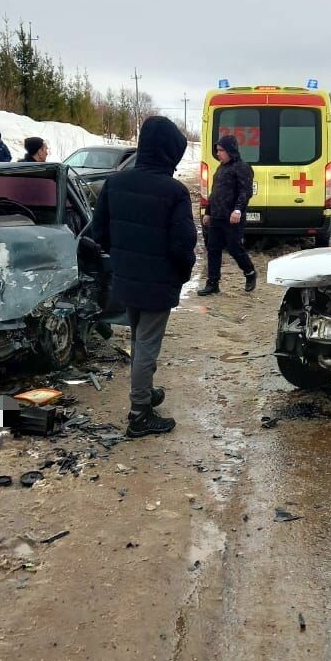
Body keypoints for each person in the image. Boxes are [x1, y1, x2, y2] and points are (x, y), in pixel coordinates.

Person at [88, 115, 197, 439]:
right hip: (158, 282)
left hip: (126, 278)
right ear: (168, 152)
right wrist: (183, 272)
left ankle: (145, 392)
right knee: (147, 344)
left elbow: (99, 231)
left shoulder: (116, 182)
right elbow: (183, 244)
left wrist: (120, 258)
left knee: (139, 339)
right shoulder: (174, 192)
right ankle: (139, 414)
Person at [197, 135, 256, 295]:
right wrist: (208, 212)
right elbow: (214, 193)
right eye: (217, 150)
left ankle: (250, 272)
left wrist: (238, 210)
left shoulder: (242, 167)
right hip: (217, 216)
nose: (218, 154)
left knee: (234, 248)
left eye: (221, 150)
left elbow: (246, 192)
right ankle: (213, 283)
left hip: (233, 217)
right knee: (213, 249)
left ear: (230, 150)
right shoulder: (220, 168)